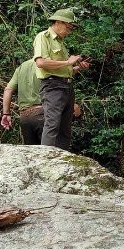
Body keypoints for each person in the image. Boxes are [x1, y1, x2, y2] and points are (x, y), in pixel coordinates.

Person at [32, 8, 89, 150]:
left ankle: (62, 157)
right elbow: (41, 63)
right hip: (53, 86)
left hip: (66, 86)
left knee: (65, 126)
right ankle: (45, 157)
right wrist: (68, 62)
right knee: (52, 123)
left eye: (71, 28)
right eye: (68, 27)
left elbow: (63, 70)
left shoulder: (61, 43)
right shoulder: (43, 37)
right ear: (58, 22)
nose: (69, 31)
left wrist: (76, 68)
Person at [0, 59, 83, 145]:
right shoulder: (47, 65)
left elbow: (8, 89)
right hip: (43, 114)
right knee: (53, 152)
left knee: (33, 155)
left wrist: (6, 113)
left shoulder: (21, 67)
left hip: (25, 118)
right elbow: (59, 80)